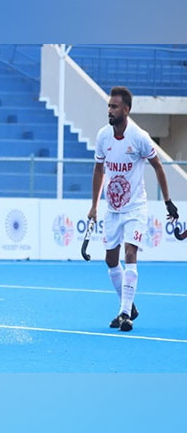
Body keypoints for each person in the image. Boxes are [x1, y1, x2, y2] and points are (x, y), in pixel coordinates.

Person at [88, 86, 179, 332]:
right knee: (110, 260)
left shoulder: (139, 137)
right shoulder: (103, 136)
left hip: (135, 208)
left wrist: (168, 200)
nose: (110, 110)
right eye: (109, 106)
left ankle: (125, 314)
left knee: (130, 254)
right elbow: (99, 170)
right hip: (112, 210)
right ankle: (129, 306)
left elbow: (158, 166)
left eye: (114, 106)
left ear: (126, 110)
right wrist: (94, 205)